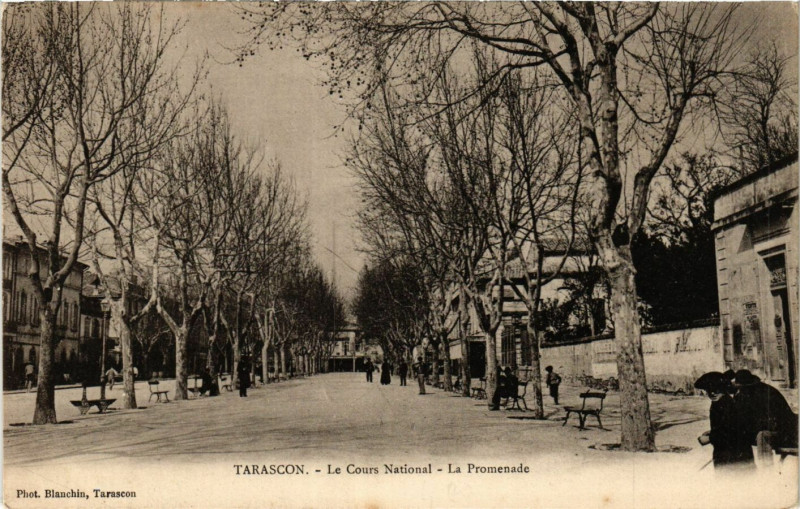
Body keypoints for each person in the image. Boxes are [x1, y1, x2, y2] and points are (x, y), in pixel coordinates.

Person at [695, 371, 754, 469]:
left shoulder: (727, 405)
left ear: (724, 388)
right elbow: (725, 426)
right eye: (709, 390)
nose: (712, 393)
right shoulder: (719, 402)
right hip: (728, 453)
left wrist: (710, 438)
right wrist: (713, 431)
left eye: (717, 390)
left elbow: (734, 432)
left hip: (734, 456)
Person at [733, 369, 798, 452]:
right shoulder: (744, 393)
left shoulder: (764, 393)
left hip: (781, 430)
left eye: (743, 388)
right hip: (761, 428)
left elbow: (770, 420)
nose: (741, 390)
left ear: (750, 386)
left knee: (761, 436)